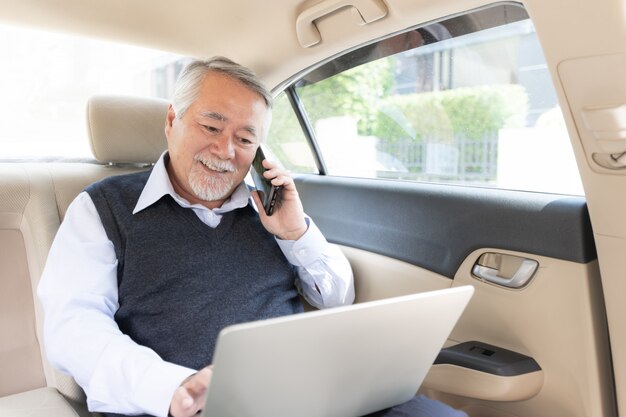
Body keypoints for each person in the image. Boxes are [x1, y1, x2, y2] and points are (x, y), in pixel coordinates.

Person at [38, 57, 466, 417]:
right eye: (211, 127)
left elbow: (337, 297)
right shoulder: (103, 207)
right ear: (173, 120)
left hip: (301, 397)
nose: (226, 151)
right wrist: (174, 387)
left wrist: (294, 232)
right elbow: (74, 327)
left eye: (245, 138)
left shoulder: (269, 204)